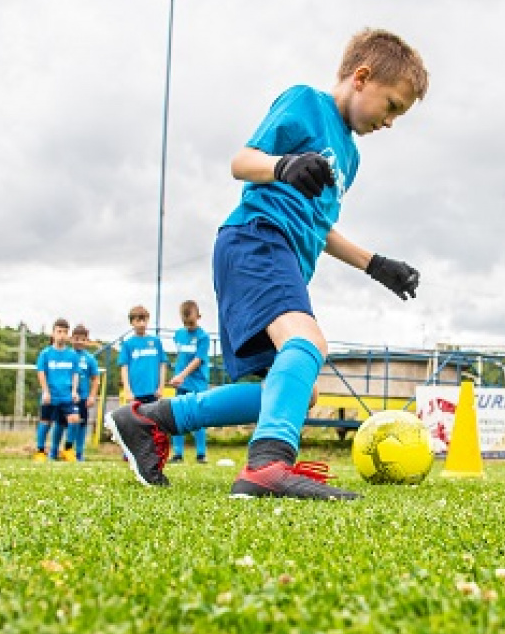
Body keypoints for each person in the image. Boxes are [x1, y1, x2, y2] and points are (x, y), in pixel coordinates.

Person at [106, 28, 429, 500]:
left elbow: (318, 228)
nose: (392, 121)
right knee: (306, 342)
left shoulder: (351, 157)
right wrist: (282, 165)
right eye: (393, 105)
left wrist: (375, 264)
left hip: (285, 258)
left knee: (300, 393)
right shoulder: (307, 103)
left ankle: (148, 419)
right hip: (257, 239)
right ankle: (268, 466)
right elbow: (242, 161)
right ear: (362, 77)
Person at [33, 318, 80, 462]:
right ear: (53, 333)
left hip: (66, 396)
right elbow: (41, 373)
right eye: (59, 331)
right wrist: (46, 391)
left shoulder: (72, 355)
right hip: (51, 395)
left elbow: (75, 374)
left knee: (74, 419)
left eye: (65, 332)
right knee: (46, 422)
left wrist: (74, 391)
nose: (62, 335)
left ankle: (68, 449)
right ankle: (40, 451)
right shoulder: (45, 353)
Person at [169, 300, 210, 464]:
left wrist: (182, 375)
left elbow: (198, 360)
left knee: (197, 417)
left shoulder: (203, 337)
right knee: (177, 416)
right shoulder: (178, 334)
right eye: (185, 323)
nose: (188, 326)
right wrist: (178, 376)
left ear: (198, 316)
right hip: (181, 383)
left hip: (197, 383)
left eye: (191, 322)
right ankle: (177, 453)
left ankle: (201, 453)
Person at [117, 306, 168, 405]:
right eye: (138, 321)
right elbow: (124, 368)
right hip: (135, 393)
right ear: (132, 322)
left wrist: (161, 387)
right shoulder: (128, 344)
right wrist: (128, 391)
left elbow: (163, 364)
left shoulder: (156, 342)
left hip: (153, 392)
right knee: (135, 420)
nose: (142, 324)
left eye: (144, 320)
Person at [71, 323, 100, 461]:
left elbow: (95, 379)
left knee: (81, 424)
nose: (79, 342)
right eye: (76, 338)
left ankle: (79, 452)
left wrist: (92, 396)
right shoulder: (67, 355)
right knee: (65, 424)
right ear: (72, 339)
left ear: (86, 341)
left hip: (82, 397)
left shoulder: (90, 358)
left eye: (82, 339)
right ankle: (63, 450)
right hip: (66, 396)